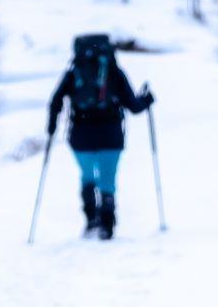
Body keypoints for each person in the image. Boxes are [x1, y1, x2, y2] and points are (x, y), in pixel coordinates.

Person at [47, 34, 154, 240]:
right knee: (107, 180)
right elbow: (134, 106)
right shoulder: (114, 72)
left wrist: (51, 127)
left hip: (81, 136)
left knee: (88, 176)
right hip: (110, 135)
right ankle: (107, 223)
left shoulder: (73, 72)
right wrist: (147, 99)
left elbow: (55, 101)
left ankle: (91, 219)